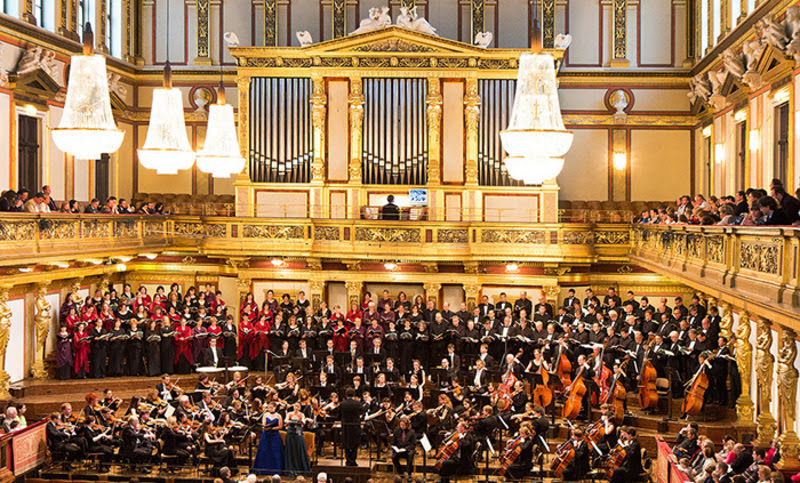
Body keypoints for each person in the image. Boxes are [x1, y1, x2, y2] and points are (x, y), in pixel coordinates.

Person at [253, 402, 284, 475]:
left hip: (275, 435)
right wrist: (265, 427)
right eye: (269, 407)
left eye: (271, 407)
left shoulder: (278, 415)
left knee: (275, 452)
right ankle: (262, 469)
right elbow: (263, 424)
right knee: (264, 450)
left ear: (275, 407)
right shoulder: (265, 414)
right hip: (266, 435)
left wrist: (272, 428)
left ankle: (276, 470)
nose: (270, 409)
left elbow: (280, 426)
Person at [283, 403, 311, 476]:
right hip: (290, 433)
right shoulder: (289, 414)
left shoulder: (302, 414)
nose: (296, 408)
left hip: (298, 432)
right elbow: (285, 420)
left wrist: (300, 421)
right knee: (290, 450)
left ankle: (300, 468)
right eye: (295, 406)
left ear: (300, 408)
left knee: (299, 449)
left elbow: (303, 422)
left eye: (298, 407)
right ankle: (290, 469)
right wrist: (289, 421)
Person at [340, 387, 362, 466]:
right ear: (354, 394)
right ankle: (353, 460)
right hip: (355, 426)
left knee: (346, 443)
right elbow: (362, 411)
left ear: (346, 395)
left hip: (346, 426)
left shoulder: (342, 403)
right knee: (355, 443)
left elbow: (339, 414)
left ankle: (348, 460)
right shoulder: (357, 403)